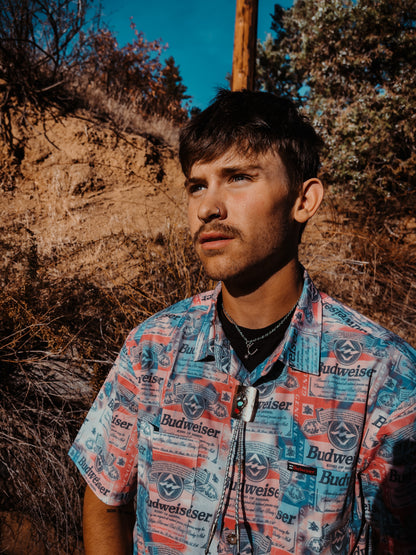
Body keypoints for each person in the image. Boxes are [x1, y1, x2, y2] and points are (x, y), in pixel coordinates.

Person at [69, 90, 416, 555]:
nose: (208, 207)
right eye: (197, 185)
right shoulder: (152, 348)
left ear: (304, 200)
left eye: (238, 177)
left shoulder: (384, 373)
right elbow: (107, 502)